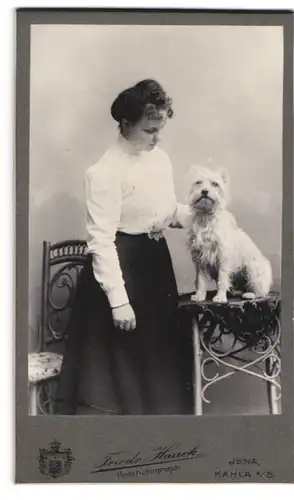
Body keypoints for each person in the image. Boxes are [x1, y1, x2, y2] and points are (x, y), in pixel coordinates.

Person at [54, 79, 193, 415]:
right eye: (149, 130)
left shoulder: (160, 158)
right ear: (126, 124)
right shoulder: (103, 171)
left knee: (158, 370)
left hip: (155, 269)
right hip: (120, 273)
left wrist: (203, 213)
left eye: (160, 129)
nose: (157, 138)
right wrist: (119, 302)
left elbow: (165, 211)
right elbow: (101, 240)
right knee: (122, 379)